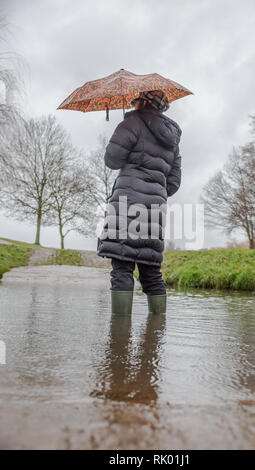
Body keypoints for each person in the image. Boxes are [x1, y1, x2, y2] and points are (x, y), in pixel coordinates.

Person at [97, 90, 182, 314]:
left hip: (126, 204)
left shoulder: (132, 122)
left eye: (136, 101)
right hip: (155, 210)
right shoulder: (173, 140)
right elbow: (173, 184)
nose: (133, 104)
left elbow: (112, 160)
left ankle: (119, 337)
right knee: (151, 272)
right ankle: (157, 333)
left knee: (122, 266)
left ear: (143, 102)